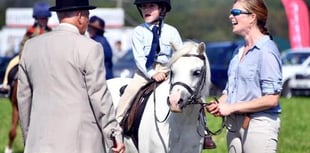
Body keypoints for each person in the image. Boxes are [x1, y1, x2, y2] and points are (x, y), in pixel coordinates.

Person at [17, 0, 125, 153]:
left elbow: (23, 99)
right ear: (80, 16)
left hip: (38, 144)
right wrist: (114, 136)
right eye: (87, 16)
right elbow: (99, 97)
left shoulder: (30, 46)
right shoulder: (90, 48)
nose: (87, 21)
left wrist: (29, 138)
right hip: (80, 144)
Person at [206, 0, 282, 153]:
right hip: (233, 124)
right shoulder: (238, 51)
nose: (230, 17)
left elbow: (272, 99)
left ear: (252, 17)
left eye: (235, 13)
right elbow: (230, 92)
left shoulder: (267, 51)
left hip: (259, 124)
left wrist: (231, 107)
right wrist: (218, 103)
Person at [115, 0, 182, 121]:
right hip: (145, 72)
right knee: (129, 93)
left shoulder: (172, 32)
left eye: (151, 6)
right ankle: (116, 127)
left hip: (167, 70)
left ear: (162, 9)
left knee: (188, 91)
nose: (146, 10)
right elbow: (139, 58)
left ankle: (204, 133)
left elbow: (179, 55)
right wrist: (153, 74)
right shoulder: (138, 32)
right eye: (143, 7)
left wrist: (169, 72)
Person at [0, 1, 52, 95]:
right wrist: (23, 57)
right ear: (37, 18)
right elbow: (23, 45)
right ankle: (5, 84)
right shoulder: (30, 31)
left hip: (46, 59)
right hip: (29, 57)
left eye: (46, 18)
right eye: (42, 18)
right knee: (11, 64)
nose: (44, 20)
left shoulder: (50, 31)